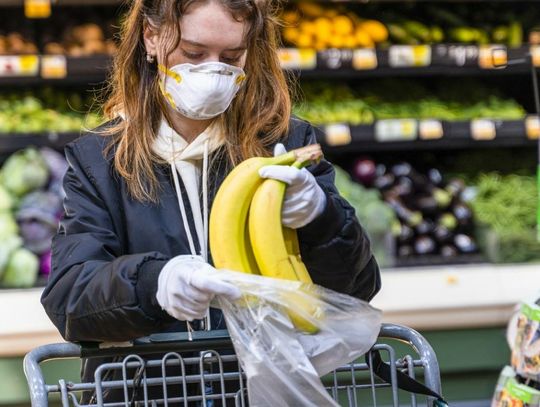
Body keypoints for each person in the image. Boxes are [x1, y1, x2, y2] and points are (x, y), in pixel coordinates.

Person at [41, 0, 381, 402]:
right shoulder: (101, 160)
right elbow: (69, 300)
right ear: (151, 38)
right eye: (194, 53)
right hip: (142, 393)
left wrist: (321, 218)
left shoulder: (283, 146)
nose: (213, 71)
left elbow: (357, 290)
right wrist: (154, 283)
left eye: (231, 56)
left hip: (257, 393)